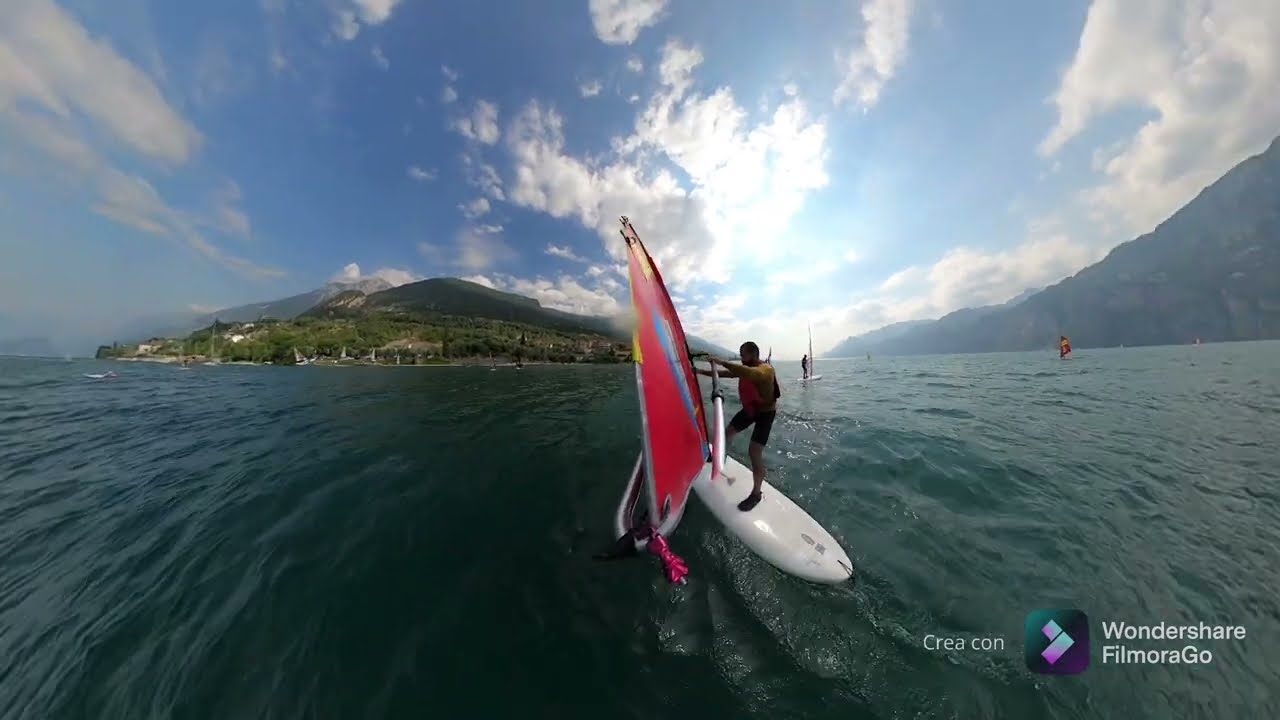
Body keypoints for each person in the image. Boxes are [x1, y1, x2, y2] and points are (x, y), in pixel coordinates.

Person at [696, 341, 780, 512]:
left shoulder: (765, 370)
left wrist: (720, 361)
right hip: (750, 410)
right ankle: (719, 457)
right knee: (727, 433)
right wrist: (699, 371)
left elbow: (749, 373)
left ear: (753, 354)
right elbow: (725, 374)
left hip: (765, 414)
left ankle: (756, 494)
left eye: (743, 355)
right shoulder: (747, 368)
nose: (741, 358)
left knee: (754, 452)